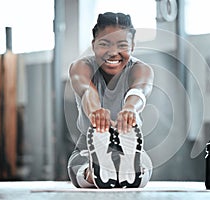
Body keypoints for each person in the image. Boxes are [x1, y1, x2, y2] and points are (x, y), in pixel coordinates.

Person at [67, 12, 154, 189]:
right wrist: (95, 112)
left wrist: (130, 109)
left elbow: (139, 90)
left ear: (133, 46)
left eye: (122, 45)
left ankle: (117, 169)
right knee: (76, 168)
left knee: (143, 169)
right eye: (104, 44)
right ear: (93, 45)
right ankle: (94, 171)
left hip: (129, 139)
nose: (113, 52)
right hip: (88, 143)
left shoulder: (141, 69)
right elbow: (86, 91)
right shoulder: (80, 66)